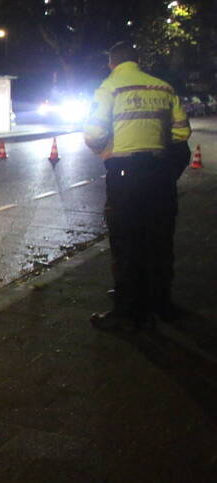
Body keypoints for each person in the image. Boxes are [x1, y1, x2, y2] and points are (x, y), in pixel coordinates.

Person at [83, 41, 190, 331]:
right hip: (159, 175)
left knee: (126, 242)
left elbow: (93, 132)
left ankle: (127, 311)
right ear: (139, 61)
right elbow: (181, 132)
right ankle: (161, 303)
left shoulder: (109, 88)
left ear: (111, 63)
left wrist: (105, 151)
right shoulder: (163, 88)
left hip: (125, 175)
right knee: (159, 240)